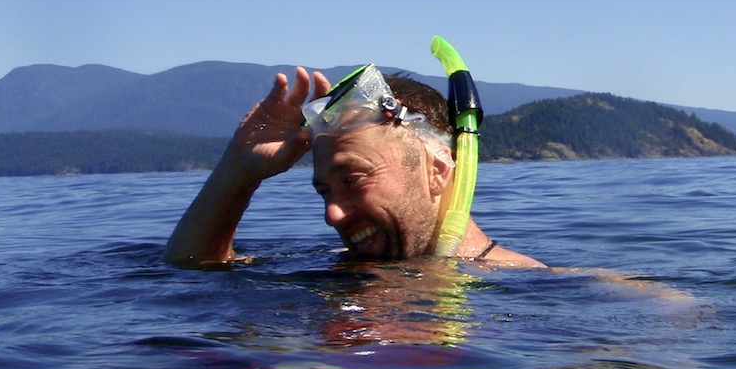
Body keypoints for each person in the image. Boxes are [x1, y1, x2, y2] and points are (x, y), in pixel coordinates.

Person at [165, 64, 543, 268]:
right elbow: (192, 265)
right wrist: (238, 169)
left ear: (438, 171)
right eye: (325, 191)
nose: (332, 214)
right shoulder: (337, 266)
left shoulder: (528, 288)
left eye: (352, 179)